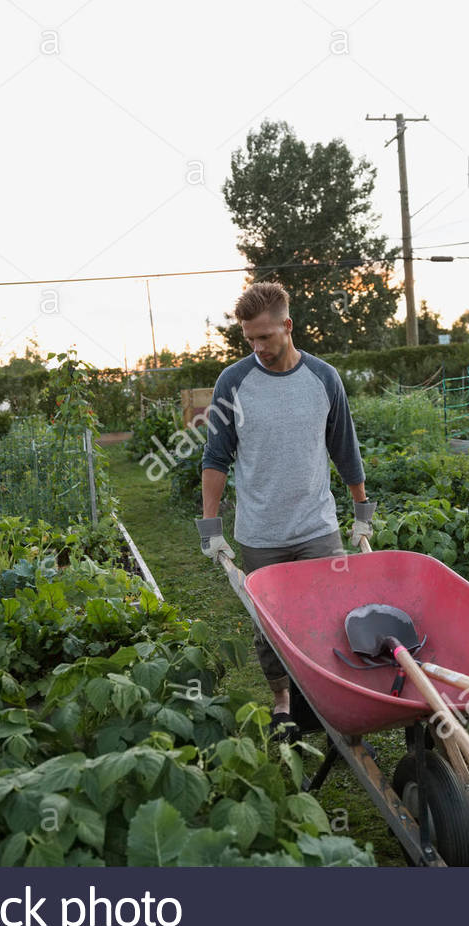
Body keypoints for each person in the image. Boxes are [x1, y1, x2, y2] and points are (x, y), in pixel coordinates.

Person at [195, 281, 375, 742]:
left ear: (288, 326)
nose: (258, 347)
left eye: (266, 337)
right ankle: (283, 703)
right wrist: (210, 526)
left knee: (331, 616)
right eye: (249, 338)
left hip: (317, 526)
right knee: (269, 629)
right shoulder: (233, 382)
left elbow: (345, 449)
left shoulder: (324, 378)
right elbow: (215, 458)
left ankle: (331, 697)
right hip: (260, 534)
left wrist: (361, 511)